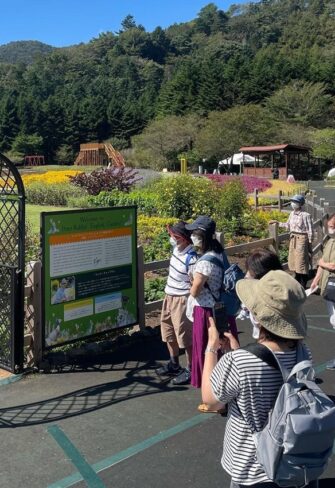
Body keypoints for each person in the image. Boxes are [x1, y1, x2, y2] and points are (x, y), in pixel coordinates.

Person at [201, 270, 318, 488]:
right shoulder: (304, 353)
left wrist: (211, 347)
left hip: (251, 466)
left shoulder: (239, 362)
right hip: (290, 460)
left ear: (258, 316)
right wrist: (236, 351)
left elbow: (210, 401)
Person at [184, 216, 225, 392]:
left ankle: (208, 387)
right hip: (217, 307)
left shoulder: (205, 262)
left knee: (206, 348)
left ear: (203, 236)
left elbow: (194, 291)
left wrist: (192, 280)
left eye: (194, 233)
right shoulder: (218, 253)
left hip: (205, 310)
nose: (192, 236)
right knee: (218, 347)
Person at [156, 221, 197, 385]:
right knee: (168, 332)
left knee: (185, 338)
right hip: (169, 295)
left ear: (183, 239)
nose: (171, 238)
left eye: (173, 236)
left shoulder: (191, 258)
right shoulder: (177, 249)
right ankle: (174, 363)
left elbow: (195, 282)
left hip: (182, 299)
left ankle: (191, 369)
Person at [238, 249, 283, 338]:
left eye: (250, 271)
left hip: (270, 341)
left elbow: (260, 323)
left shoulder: (264, 303)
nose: (246, 275)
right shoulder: (282, 290)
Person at [271, 194, 312, 288]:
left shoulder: (305, 215)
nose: (293, 204)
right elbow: (287, 225)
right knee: (293, 260)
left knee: (301, 261)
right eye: (293, 202)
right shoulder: (292, 214)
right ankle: (297, 281)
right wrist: (277, 222)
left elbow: (310, 230)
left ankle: (303, 283)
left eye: (296, 202)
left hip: (302, 239)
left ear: (300, 204)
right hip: (293, 238)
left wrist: (309, 245)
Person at [310, 213, 335, 369]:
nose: (330, 228)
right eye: (330, 225)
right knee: (333, 321)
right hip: (329, 287)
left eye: (332, 226)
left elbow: (331, 265)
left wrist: (321, 262)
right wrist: (316, 280)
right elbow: (323, 264)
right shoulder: (330, 242)